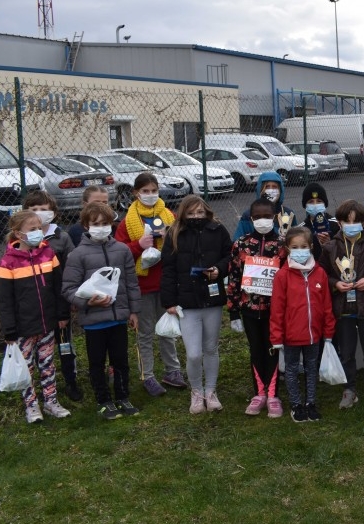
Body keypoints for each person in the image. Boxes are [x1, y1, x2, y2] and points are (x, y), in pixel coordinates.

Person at [61, 203, 142, 420]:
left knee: (121, 360)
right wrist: (89, 303)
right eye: (96, 224)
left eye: (105, 223)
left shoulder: (122, 250)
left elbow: (131, 283)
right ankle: (104, 400)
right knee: (97, 362)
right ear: (86, 226)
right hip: (94, 321)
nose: (101, 228)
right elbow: (68, 289)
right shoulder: (78, 255)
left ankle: (123, 396)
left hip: (118, 319)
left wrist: (134, 311)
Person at [0, 210, 72, 423]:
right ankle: (31, 406)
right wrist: (9, 329)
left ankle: (51, 401)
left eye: (39, 228)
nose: (38, 232)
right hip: (22, 329)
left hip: (47, 323)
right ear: (19, 234)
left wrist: (62, 314)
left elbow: (58, 289)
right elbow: (5, 301)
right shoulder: (7, 263)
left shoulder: (49, 255)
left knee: (47, 364)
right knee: (27, 367)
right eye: (32, 229)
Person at [114, 173, 186, 396]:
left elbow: (182, 245)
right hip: (142, 285)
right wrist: (138, 245)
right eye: (145, 191)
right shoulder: (128, 222)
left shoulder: (169, 215)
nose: (150, 195)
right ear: (136, 193)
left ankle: (172, 370)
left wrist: (170, 238)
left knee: (167, 329)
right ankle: (148, 375)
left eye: (153, 190)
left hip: (165, 284)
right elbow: (119, 252)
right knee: (145, 333)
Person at [160, 195, 233, 414]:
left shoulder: (217, 230)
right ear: (183, 214)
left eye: (200, 212)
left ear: (207, 212)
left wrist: (219, 270)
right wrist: (169, 301)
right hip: (186, 302)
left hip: (212, 299)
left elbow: (230, 256)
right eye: (191, 213)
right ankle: (196, 391)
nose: (196, 217)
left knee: (210, 348)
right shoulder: (174, 234)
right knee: (193, 353)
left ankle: (210, 392)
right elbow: (168, 270)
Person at [226, 198, 288, 418]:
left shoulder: (283, 245)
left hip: (275, 311)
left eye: (267, 216)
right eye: (258, 217)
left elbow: (289, 278)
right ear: (251, 219)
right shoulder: (241, 244)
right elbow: (233, 277)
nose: (263, 220)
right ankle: (259, 393)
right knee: (255, 349)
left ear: (275, 217)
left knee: (272, 349)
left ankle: (273, 395)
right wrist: (233, 311)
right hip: (249, 309)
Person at [319, 200, 364, 409]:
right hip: (342, 308)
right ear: (339, 222)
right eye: (347, 221)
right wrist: (335, 283)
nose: (352, 225)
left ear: (363, 223)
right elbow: (322, 275)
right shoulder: (330, 247)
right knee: (346, 352)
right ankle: (349, 389)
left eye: (356, 221)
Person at [270, 226, 336, 422]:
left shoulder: (320, 274)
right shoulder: (282, 276)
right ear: (288, 249)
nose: (300, 250)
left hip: (313, 335)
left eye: (304, 246)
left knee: (311, 367)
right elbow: (277, 309)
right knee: (291, 369)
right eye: (295, 247)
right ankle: (296, 404)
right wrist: (276, 337)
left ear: (311, 247)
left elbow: (326, 305)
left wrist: (328, 332)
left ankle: (311, 403)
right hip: (291, 335)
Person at [23, 190, 80, 402]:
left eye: (44, 210)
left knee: (65, 344)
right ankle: (43, 384)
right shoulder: (21, 240)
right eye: (34, 209)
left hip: (59, 303)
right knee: (39, 349)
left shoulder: (62, 238)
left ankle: (71, 380)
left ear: (53, 213)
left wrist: (70, 298)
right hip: (34, 306)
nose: (39, 213)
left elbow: (71, 269)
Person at [232, 171, 298, 241]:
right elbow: (237, 241)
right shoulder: (249, 215)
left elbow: (296, 239)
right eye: (267, 187)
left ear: (280, 190)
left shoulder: (287, 214)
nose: (271, 190)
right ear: (260, 190)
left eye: (274, 187)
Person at [300, 182, 340, 259]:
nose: (315, 205)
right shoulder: (302, 229)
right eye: (311, 202)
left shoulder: (336, 224)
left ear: (325, 204)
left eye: (319, 201)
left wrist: (329, 243)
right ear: (305, 205)